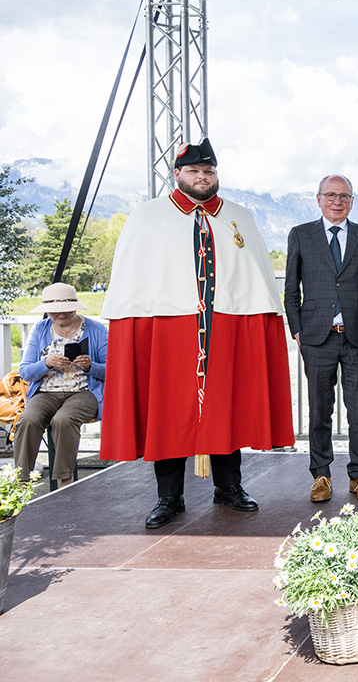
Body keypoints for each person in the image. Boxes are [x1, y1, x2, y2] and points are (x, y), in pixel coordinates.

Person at [101, 139, 294, 529]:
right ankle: (168, 498)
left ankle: (229, 488)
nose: (202, 177)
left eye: (208, 171)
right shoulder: (147, 217)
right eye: (194, 171)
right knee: (169, 413)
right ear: (177, 175)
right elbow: (133, 282)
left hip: (225, 329)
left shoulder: (239, 216)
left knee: (226, 407)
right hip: (169, 330)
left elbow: (255, 280)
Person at [285, 174, 358, 503]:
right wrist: (297, 328)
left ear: (352, 201)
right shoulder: (301, 235)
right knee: (319, 409)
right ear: (318, 198)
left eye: (344, 196)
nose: (337, 201)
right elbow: (290, 290)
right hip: (316, 337)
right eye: (331, 195)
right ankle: (321, 475)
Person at [15, 283, 107, 487]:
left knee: (64, 419)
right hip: (46, 392)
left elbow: (113, 371)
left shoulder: (96, 329)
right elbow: (25, 372)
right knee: (28, 419)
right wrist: (46, 363)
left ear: (75, 306)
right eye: (54, 311)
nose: (59, 314)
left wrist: (91, 366)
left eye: (65, 309)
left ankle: (64, 481)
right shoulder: (40, 329)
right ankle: (21, 481)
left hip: (83, 391)